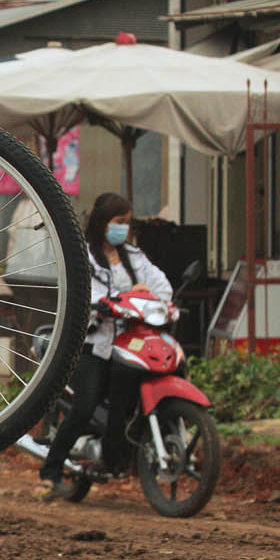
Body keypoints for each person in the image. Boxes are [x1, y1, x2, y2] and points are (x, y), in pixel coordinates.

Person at [39, 192, 171, 498]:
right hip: (91, 344)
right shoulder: (83, 256)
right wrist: (108, 302)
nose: (124, 228)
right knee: (85, 405)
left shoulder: (134, 257)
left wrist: (157, 298)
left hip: (129, 342)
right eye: (119, 222)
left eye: (127, 222)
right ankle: (51, 470)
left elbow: (161, 286)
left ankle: (120, 451)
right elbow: (88, 293)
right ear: (102, 224)